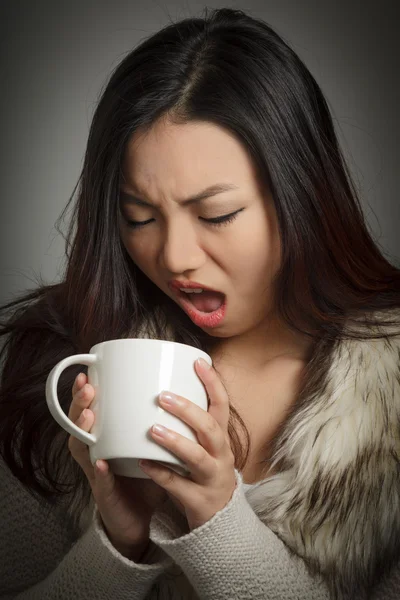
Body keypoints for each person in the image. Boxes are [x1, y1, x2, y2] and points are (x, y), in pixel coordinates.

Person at [0, 6, 399, 599]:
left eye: (217, 215)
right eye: (140, 217)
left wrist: (219, 523)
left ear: (302, 196)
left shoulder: (388, 393)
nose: (175, 256)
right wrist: (117, 543)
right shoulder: (65, 353)